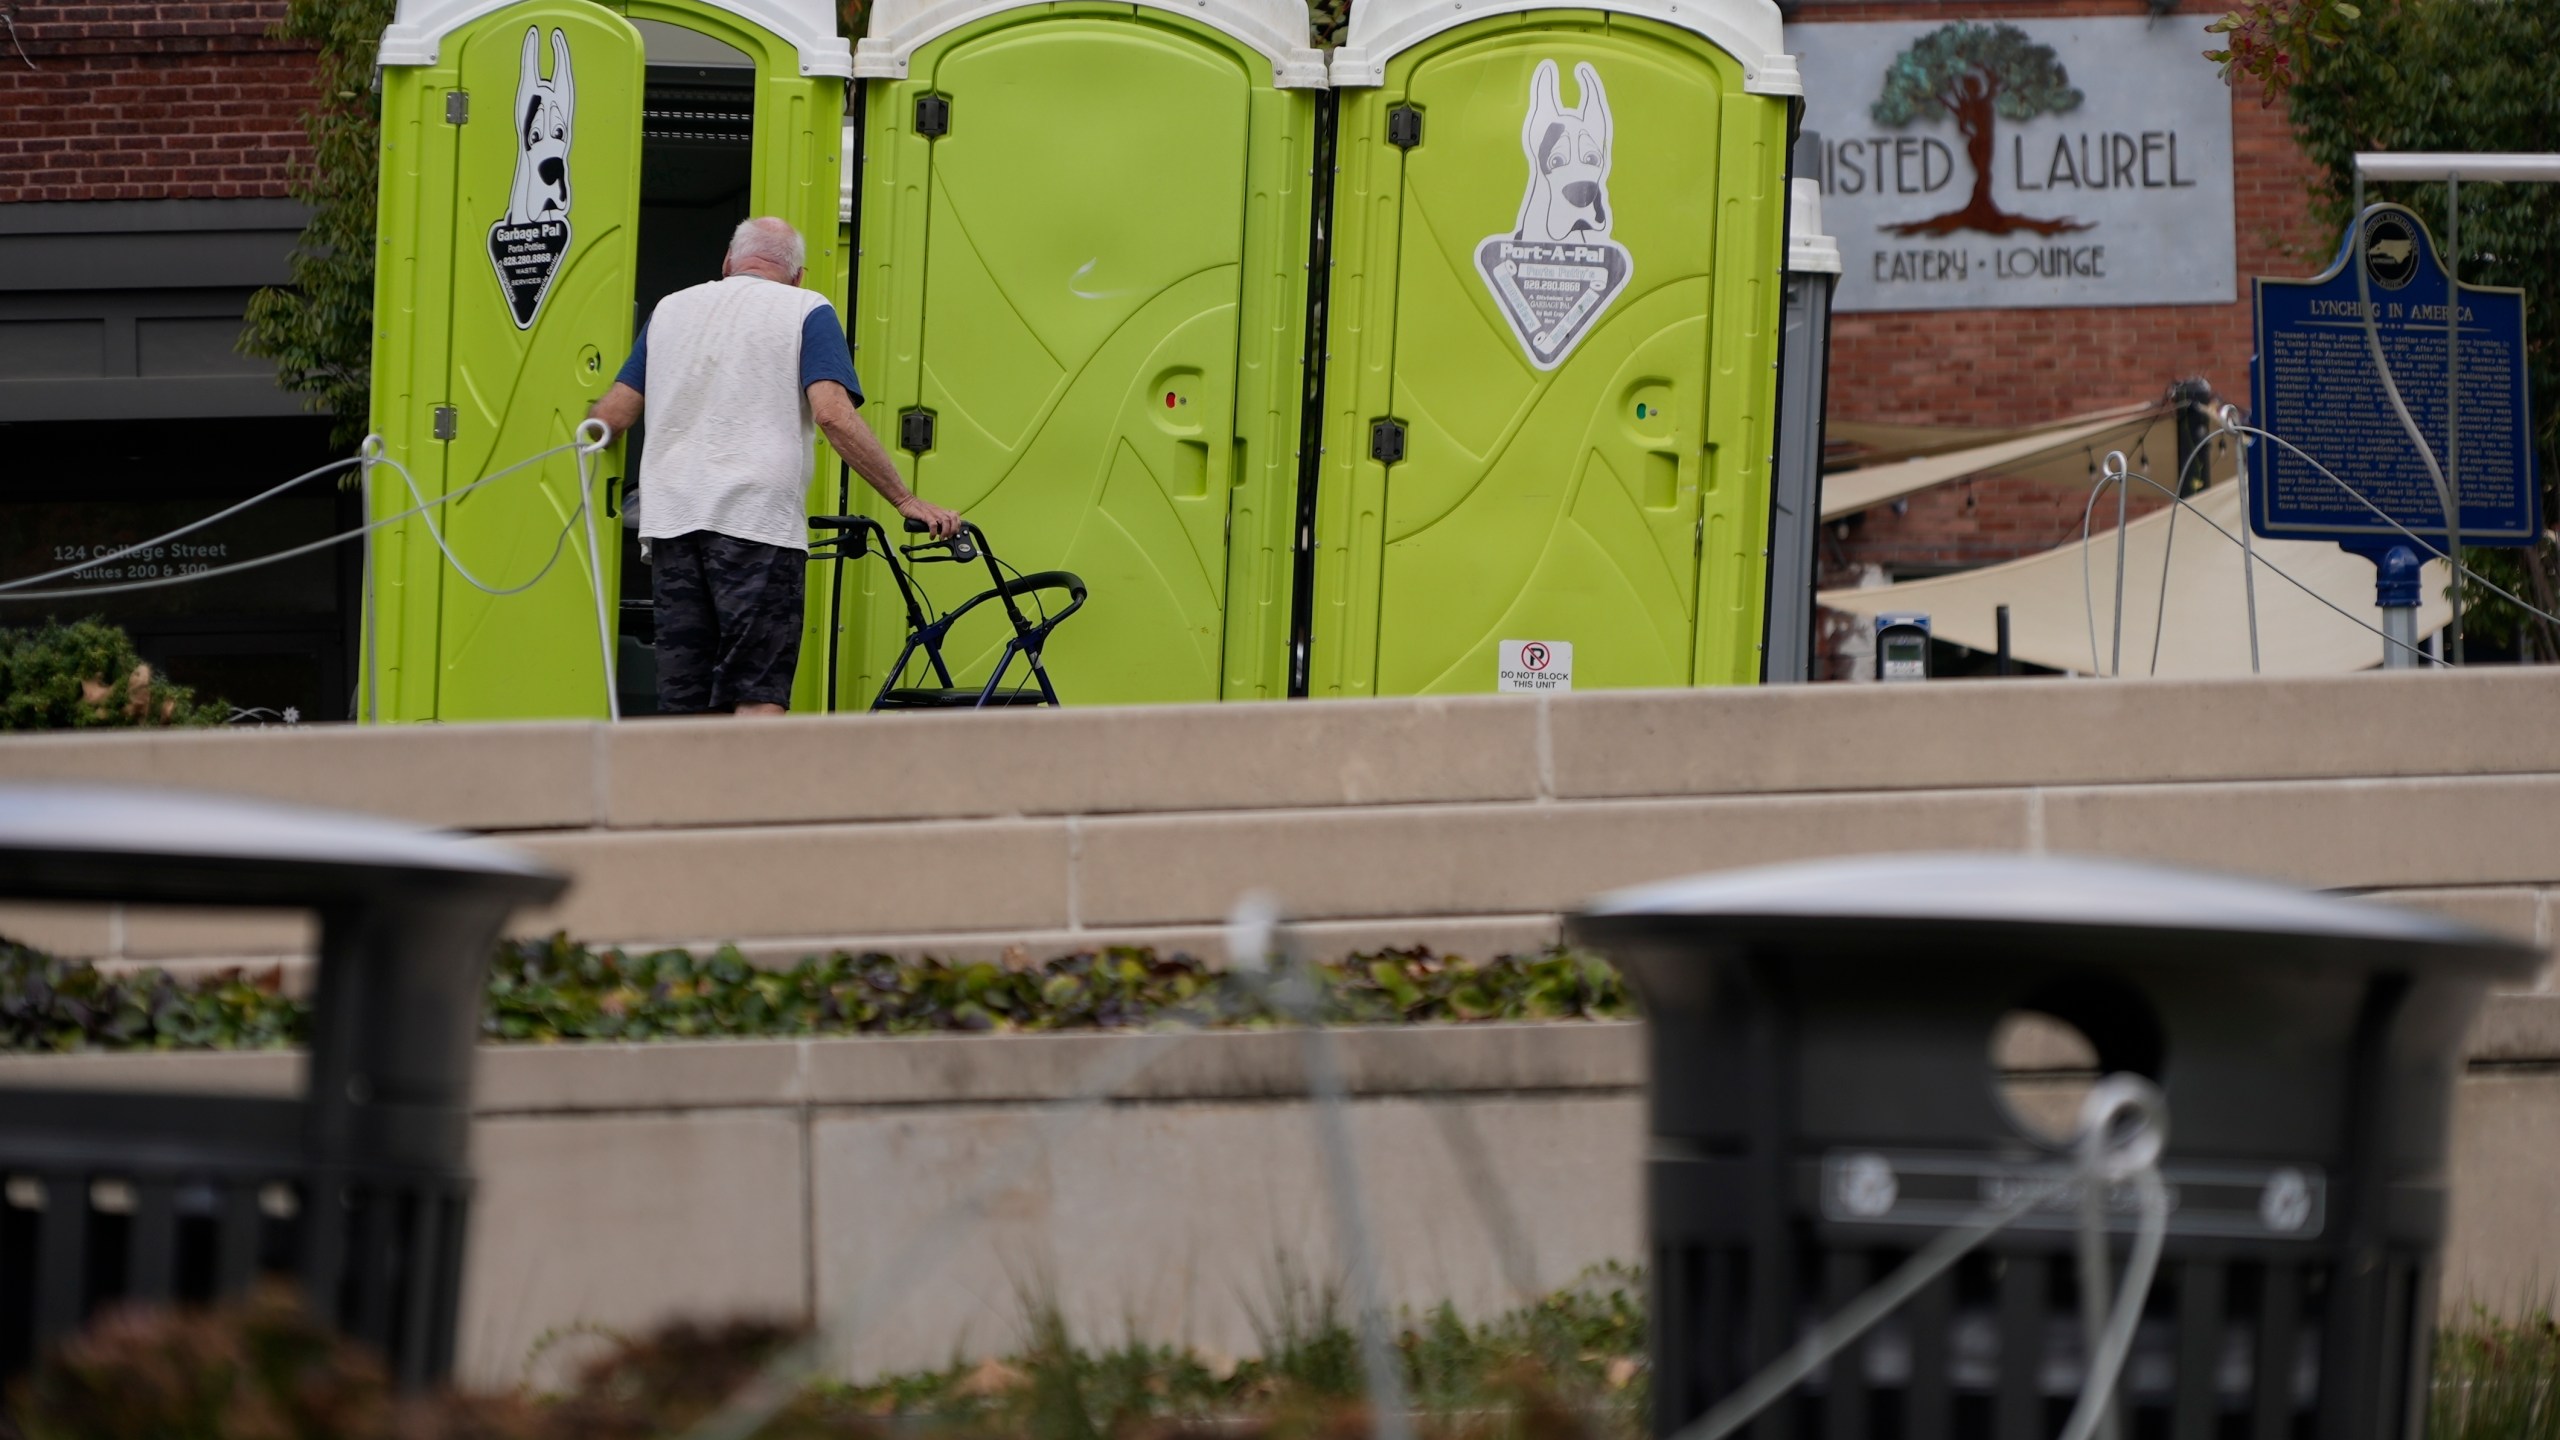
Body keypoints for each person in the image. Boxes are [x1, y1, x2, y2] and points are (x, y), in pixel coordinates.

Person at [586, 216, 962, 716]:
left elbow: (612, 417)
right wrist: (905, 498)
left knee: (685, 701)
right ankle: (752, 797)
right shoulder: (807, 308)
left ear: (727, 263)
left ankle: (684, 796)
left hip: (673, 523)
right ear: (798, 275)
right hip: (755, 526)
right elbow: (832, 413)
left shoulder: (670, 310)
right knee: (757, 694)